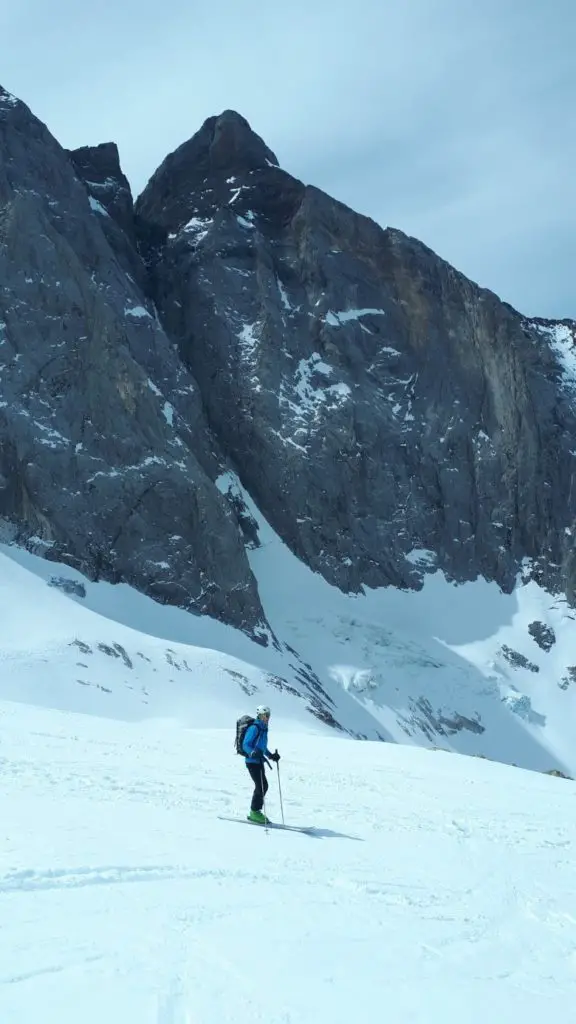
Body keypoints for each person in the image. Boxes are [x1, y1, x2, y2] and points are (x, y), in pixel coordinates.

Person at [243, 705, 280, 823]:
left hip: (259, 761)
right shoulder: (255, 727)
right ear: (259, 715)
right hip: (252, 762)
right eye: (265, 715)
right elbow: (246, 744)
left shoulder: (263, 728)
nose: (267, 718)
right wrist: (252, 752)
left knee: (263, 785)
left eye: (268, 715)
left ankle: (255, 812)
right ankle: (254, 812)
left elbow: (262, 747)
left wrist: (271, 756)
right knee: (261, 786)